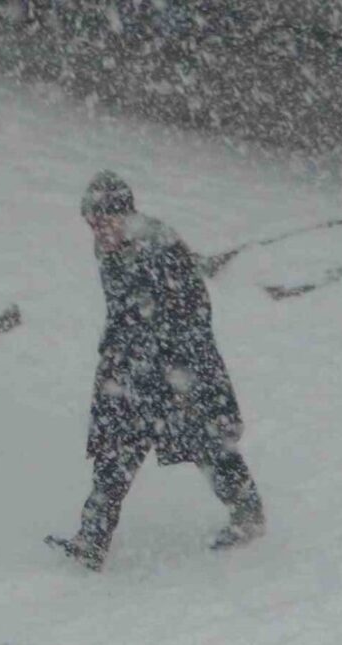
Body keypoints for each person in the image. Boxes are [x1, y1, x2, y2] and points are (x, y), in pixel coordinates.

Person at [54, 170, 265, 571]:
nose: (98, 231)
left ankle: (248, 517)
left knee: (209, 444)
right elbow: (122, 311)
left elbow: (195, 314)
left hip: (180, 368)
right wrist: (118, 356)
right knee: (113, 454)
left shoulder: (162, 248)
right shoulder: (107, 249)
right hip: (129, 369)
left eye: (103, 222)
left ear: (124, 214)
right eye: (91, 224)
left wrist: (168, 361)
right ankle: (92, 540)